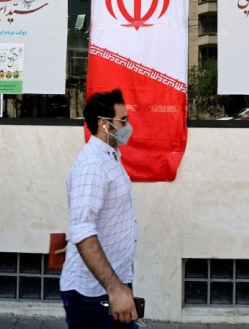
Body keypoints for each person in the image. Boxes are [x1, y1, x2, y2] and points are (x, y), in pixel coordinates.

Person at [60, 89, 139, 328]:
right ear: (104, 125)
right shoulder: (93, 165)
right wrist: (115, 288)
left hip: (112, 286)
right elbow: (82, 231)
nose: (128, 126)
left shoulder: (110, 155)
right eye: (122, 120)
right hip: (93, 294)